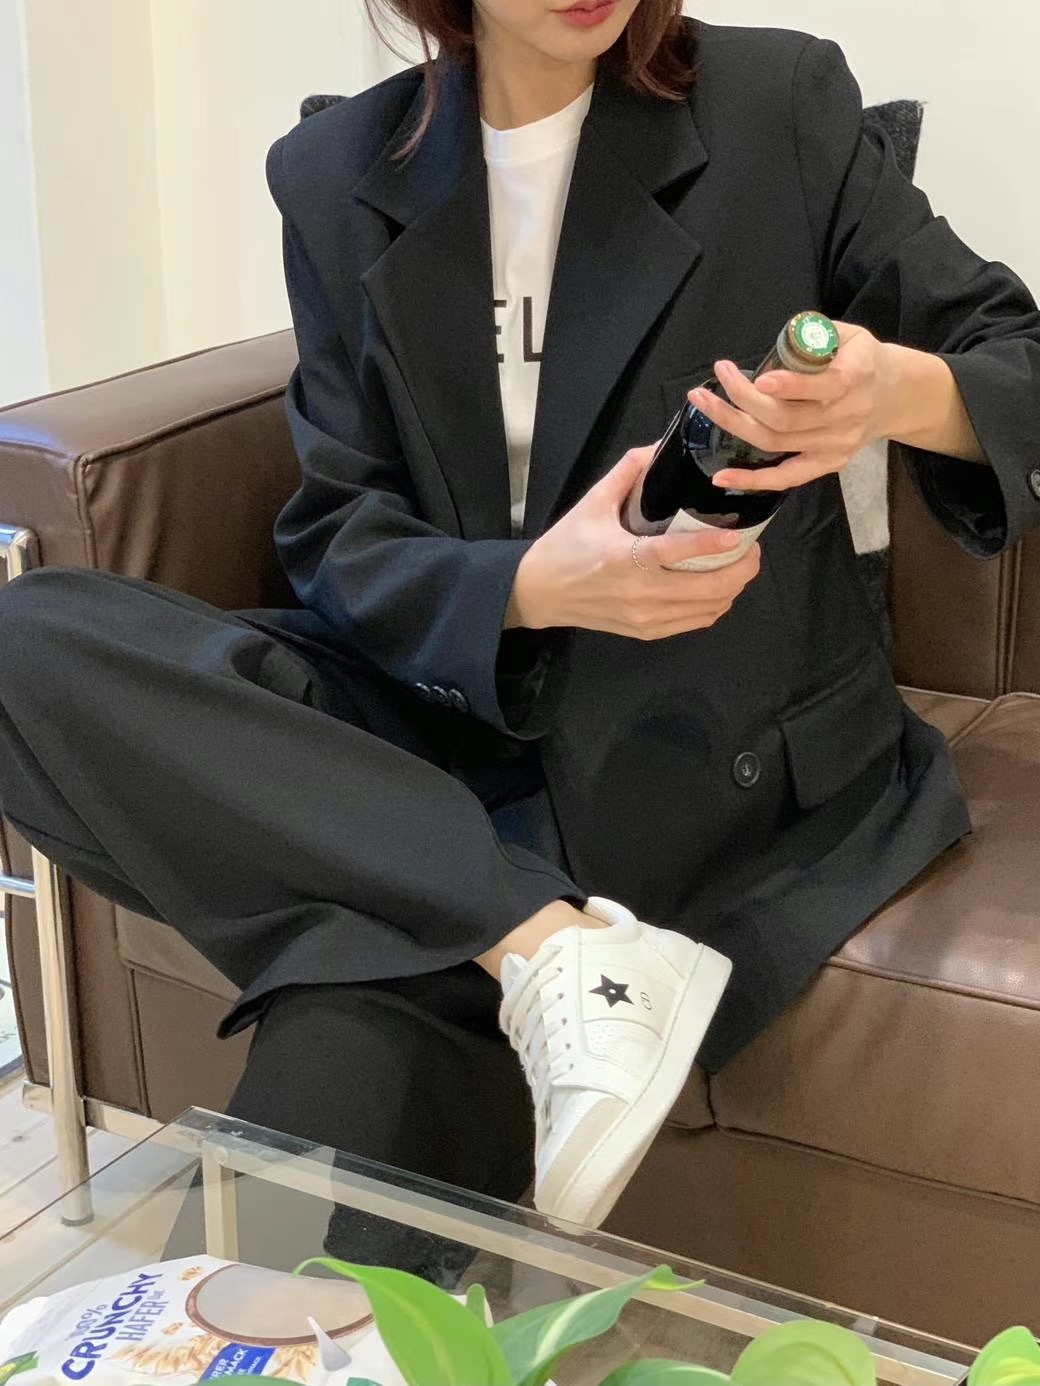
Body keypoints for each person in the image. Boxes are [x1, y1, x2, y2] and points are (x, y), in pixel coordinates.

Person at [1, 0, 1039, 1245]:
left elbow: (1015, 363)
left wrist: (895, 390)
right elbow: (338, 534)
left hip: (705, 754)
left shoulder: (774, 105)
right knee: (27, 641)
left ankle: (496, 927)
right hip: (447, 732)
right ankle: (544, 942)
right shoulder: (333, 175)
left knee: (321, 1117)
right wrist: (532, 587)